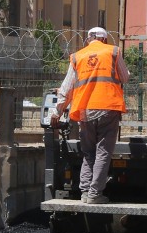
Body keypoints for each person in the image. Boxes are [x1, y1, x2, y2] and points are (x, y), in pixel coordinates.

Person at [53, 26, 129, 204]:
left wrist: (57, 111)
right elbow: (125, 77)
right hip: (108, 107)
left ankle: (85, 192)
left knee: (88, 153)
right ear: (104, 40)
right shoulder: (113, 52)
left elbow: (66, 88)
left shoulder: (77, 56)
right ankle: (95, 194)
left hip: (85, 110)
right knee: (103, 152)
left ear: (88, 39)